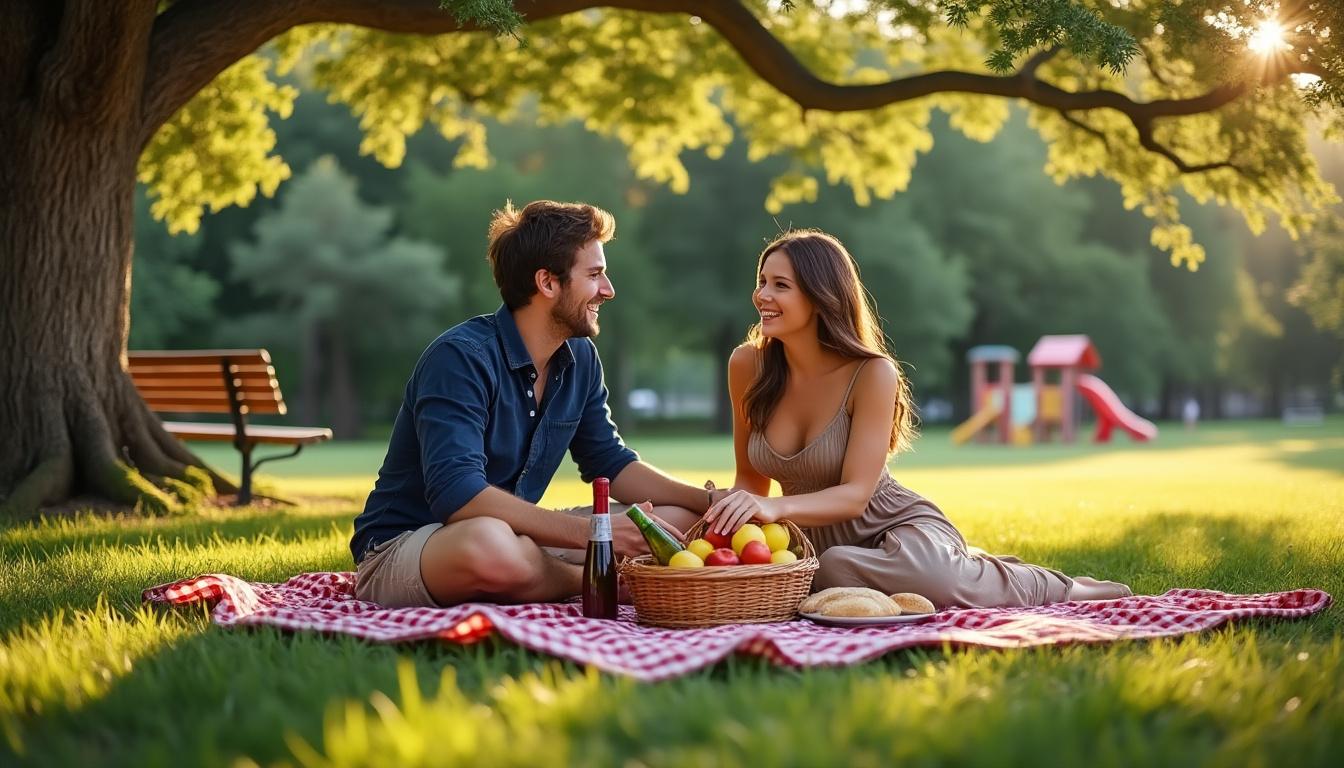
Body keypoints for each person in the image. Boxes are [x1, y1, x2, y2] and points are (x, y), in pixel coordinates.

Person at [700, 230, 1131, 608]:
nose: (762, 296)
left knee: (898, 574)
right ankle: (966, 565)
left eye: (780, 285)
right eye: (761, 282)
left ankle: (1063, 587)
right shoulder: (747, 366)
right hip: (815, 542)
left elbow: (855, 496)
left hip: (893, 524)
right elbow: (751, 482)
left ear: (820, 296)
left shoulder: (871, 373)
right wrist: (723, 511)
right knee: (829, 566)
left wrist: (775, 507)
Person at [350, 200, 713, 608]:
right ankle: (597, 581)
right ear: (547, 283)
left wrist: (708, 501)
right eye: (594, 275)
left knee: (675, 521)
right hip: (411, 546)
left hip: (514, 536)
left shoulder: (580, 358)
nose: (608, 290)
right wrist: (595, 534)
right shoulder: (459, 358)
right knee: (487, 543)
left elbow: (609, 461)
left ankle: (545, 573)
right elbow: (458, 494)